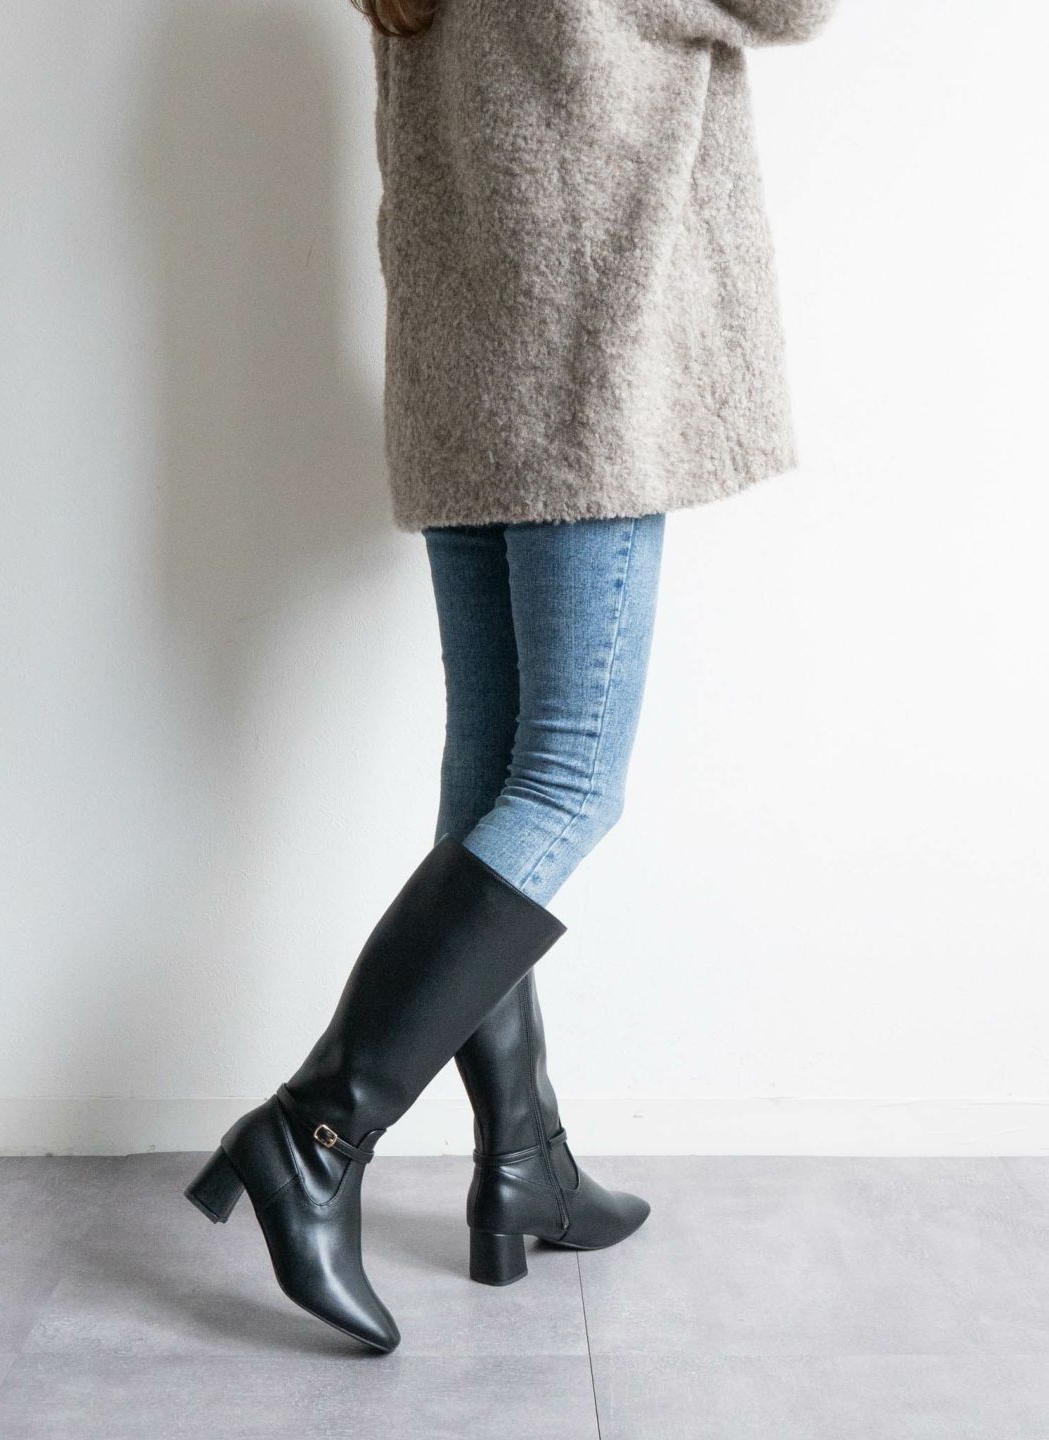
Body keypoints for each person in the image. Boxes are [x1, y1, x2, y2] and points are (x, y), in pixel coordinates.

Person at [186, 0, 838, 1353]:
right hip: (590, 343)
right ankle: (315, 1133)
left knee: (493, 772)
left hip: (471, 354)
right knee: (567, 782)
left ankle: (523, 1159)